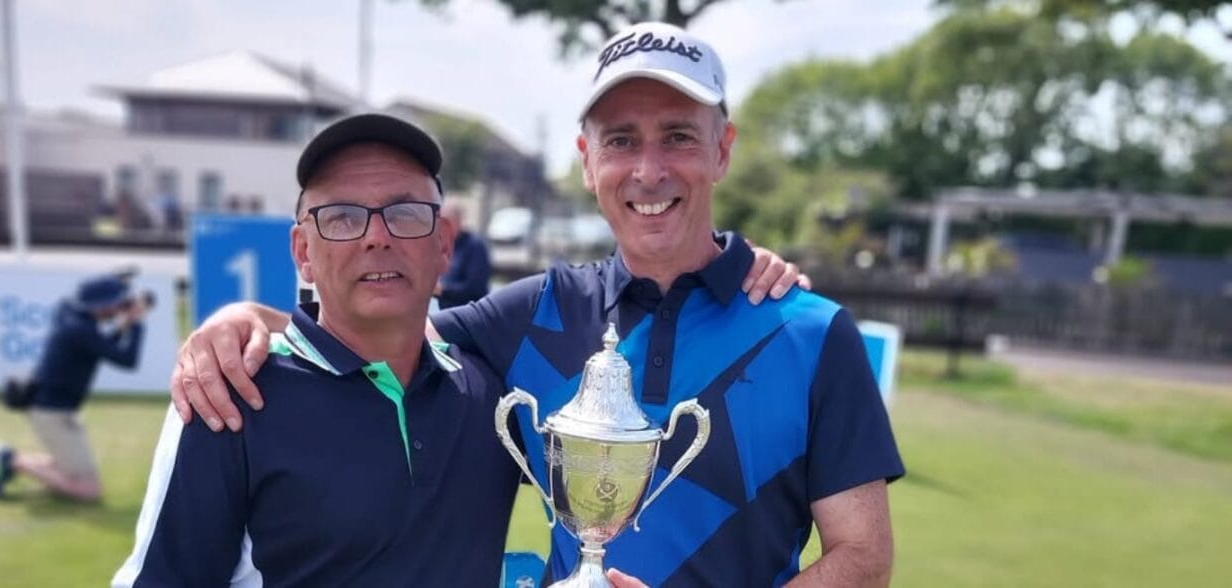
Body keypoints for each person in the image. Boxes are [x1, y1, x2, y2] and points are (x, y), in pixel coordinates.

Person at [173, 23, 895, 587]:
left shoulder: (811, 331)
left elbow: (862, 558)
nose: (647, 170)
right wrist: (240, 321)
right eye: (620, 141)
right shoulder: (531, 313)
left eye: (677, 136)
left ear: (722, 149)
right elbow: (373, 327)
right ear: (586, 159)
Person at [112, 113, 523, 586]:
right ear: (303, 252)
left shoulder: (490, 394)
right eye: (342, 218)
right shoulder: (229, 396)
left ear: (444, 245)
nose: (376, 236)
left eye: (405, 214)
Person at [0, 273, 148, 502]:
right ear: (99, 305)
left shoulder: (71, 314)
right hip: (51, 413)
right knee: (89, 491)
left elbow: (101, 345)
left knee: (68, 469)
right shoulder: (80, 330)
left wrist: (122, 321)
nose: (118, 307)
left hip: (53, 408)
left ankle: (9, 457)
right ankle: (11, 461)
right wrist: (136, 323)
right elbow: (127, 360)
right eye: (115, 302)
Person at [435, 199, 492, 308]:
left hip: (469, 315)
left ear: (459, 221)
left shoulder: (475, 246)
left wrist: (444, 290)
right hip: (445, 312)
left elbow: (475, 288)